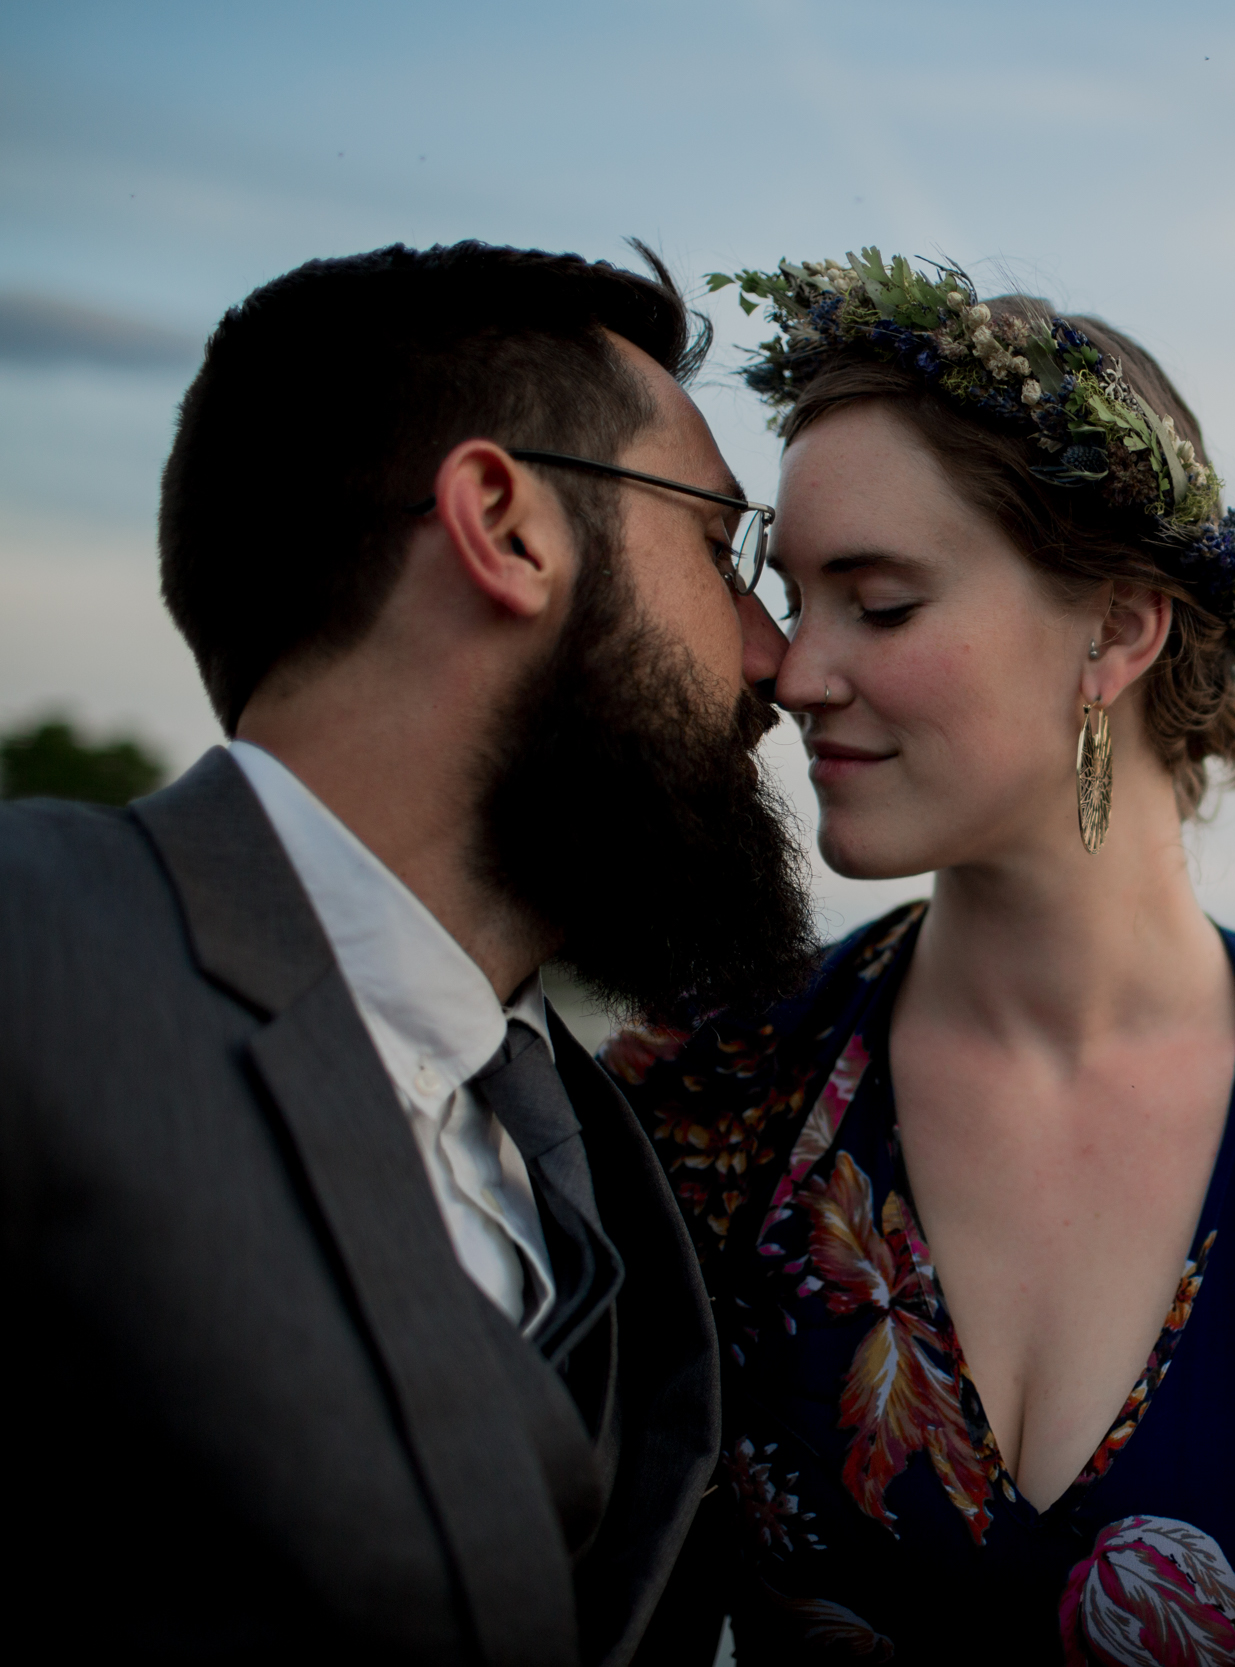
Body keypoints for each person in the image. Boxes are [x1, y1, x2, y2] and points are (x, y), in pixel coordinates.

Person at [603, 252, 1235, 1665]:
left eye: (879, 603)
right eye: (793, 595)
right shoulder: (712, 1097)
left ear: (1119, 629)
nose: (791, 669)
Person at [0, 241, 820, 1664]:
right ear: (502, 524)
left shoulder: (614, 1150)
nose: (776, 658)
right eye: (720, 550)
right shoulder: (32, 955)